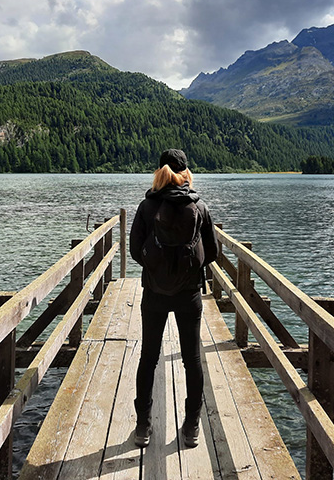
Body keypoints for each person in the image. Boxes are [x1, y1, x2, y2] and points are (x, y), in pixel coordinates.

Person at [129, 148, 218, 449]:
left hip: (154, 292)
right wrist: (186, 270)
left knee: (148, 358)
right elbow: (213, 253)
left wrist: (158, 268)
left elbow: (134, 249)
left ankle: (143, 427)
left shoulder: (146, 206)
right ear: (185, 173)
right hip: (189, 293)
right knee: (192, 359)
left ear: (159, 173)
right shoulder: (200, 206)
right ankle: (191, 427)